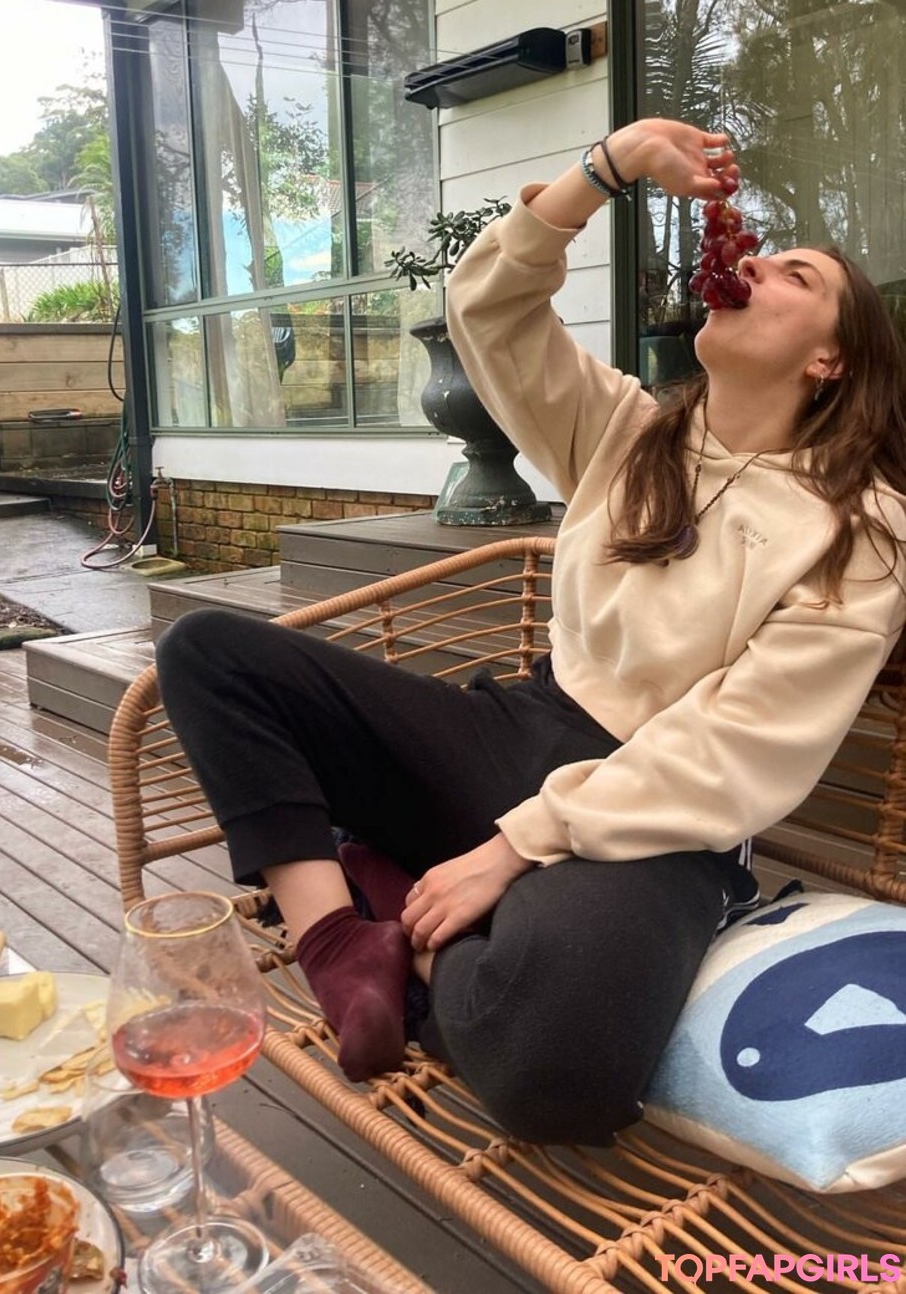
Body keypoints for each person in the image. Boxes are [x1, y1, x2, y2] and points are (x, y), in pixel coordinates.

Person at [155, 117, 906, 1146]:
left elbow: (744, 743)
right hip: (516, 731)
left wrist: (514, 848)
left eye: (797, 274)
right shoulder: (629, 431)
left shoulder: (863, 528)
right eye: (764, 255)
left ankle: (395, 897)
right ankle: (341, 943)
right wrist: (610, 165)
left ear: (830, 358)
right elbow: (487, 309)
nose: (756, 264)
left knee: (562, 1076)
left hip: (665, 808)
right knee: (210, 653)